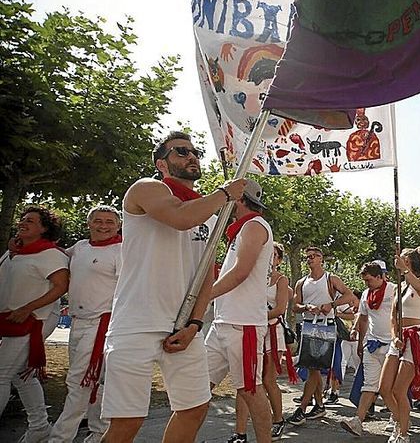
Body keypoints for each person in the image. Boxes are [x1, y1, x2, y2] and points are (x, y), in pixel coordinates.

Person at [101, 131, 247, 443]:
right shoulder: (146, 189)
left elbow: (205, 273)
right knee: (127, 423)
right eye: (181, 152)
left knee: (194, 408)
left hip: (183, 326)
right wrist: (225, 194)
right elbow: (179, 218)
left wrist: (195, 323)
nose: (191, 157)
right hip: (136, 323)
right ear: (161, 163)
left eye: (195, 152)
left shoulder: (207, 211)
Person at [205, 179, 274, 443]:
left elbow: (241, 273)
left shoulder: (255, 226)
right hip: (224, 322)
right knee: (197, 389)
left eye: (229, 195)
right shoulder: (242, 229)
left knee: (250, 390)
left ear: (240, 199)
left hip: (242, 323)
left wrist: (202, 297)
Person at [49, 206, 122, 443]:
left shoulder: (121, 250)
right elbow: (56, 255)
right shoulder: (80, 247)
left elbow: (128, 288)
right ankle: (99, 432)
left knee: (79, 381)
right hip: (77, 322)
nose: (103, 226)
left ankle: (60, 437)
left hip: (101, 325)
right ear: (89, 224)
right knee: (94, 382)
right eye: (98, 221)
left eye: (110, 222)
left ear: (118, 225)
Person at [0, 206, 70, 443]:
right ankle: (40, 427)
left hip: (33, 320)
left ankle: (40, 427)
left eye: (30, 221)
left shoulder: (51, 254)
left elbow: (62, 286)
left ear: (44, 228)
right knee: (21, 375)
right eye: (22, 219)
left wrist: (27, 308)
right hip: (9, 321)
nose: (23, 222)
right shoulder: (14, 252)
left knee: (1, 374)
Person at [230, 242, 292, 443]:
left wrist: (256, 315)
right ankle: (240, 433)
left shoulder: (281, 280)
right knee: (246, 381)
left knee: (267, 380)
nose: (269, 258)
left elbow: (280, 309)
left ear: (279, 260)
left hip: (272, 332)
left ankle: (278, 419)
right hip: (251, 329)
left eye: (274, 255)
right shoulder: (253, 277)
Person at [287, 246, 356, 425]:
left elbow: (349, 296)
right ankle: (318, 405)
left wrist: (331, 305)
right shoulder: (301, 282)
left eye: (313, 256)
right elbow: (295, 306)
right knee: (313, 369)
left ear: (321, 258)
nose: (309, 259)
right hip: (309, 325)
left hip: (326, 327)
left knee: (314, 368)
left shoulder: (330, 278)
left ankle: (302, 408)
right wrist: (307, 307)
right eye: (307, 257)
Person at [378, 247, 420, 443]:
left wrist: (405, 271)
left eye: (403, 259)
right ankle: (399, 419)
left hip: (415, 339)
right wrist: (394, 336)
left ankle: (403, 433)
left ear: (410, 261)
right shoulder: (399, 287)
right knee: (384, 388)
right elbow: (394, 317)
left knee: (399, 390)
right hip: (398, 340)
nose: (399, 262)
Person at [341, 260, 397, 437]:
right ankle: (358, 421)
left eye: (369, 280)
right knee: (369, 384)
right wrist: (360, 342)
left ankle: (397, 419)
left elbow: (402, 317)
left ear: (380, 277)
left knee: (391, 387)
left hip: (392, 345)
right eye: (365, 281)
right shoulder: (366, 293)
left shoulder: (395, 290)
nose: (367, 284)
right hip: (372, 344)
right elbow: (364, 318)